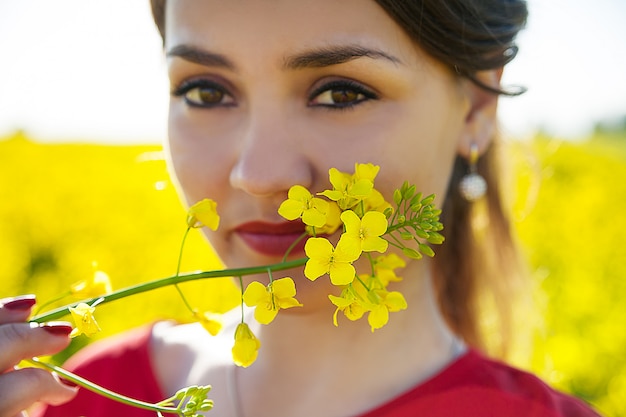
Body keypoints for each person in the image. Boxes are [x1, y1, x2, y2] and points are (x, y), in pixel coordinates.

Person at [0, 1, 604, 416]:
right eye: (205, 91)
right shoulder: (81, 393)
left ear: (475, 109)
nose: (260, 176)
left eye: (341, 93)